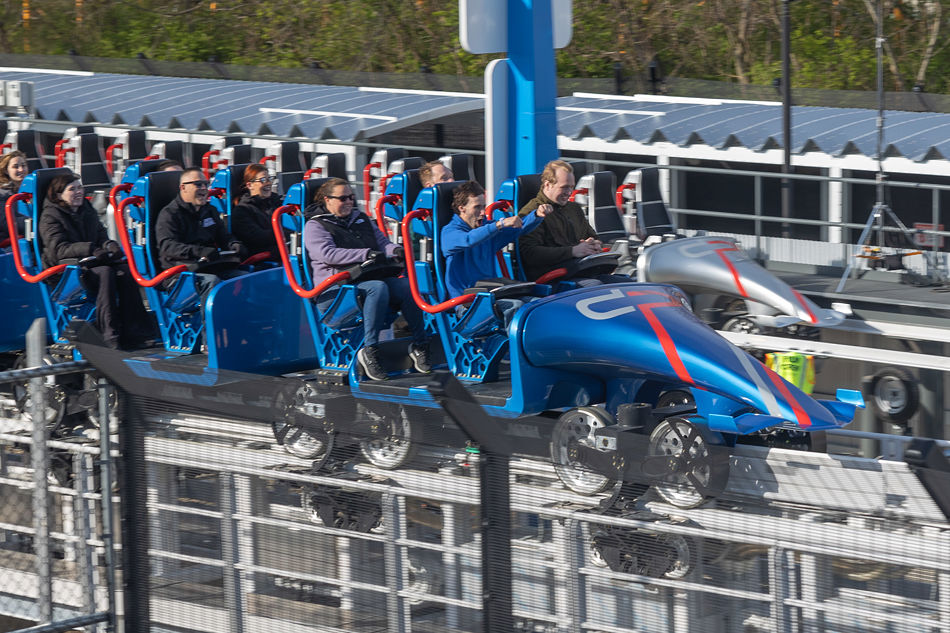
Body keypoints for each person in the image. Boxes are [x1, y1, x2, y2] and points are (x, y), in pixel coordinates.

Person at [303, 177, 431, 381]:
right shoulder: (315, 226)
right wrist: (365, 254)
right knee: (376, 288)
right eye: (342, 198)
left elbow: (382, 243)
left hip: (364, 278)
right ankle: (370, 350)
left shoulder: (360, 218)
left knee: (407, 286)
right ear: (327, 200)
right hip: (335, 289)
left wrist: (395, 250)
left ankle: (419, 344)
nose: (348, 202)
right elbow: (328, 254)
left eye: (351, 198)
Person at [38, 173, 151, 349]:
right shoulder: (50, 217)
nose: (78, 192)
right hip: (65, 272)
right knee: (104, 273)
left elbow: (100, 235)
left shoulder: (86, 209)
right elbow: (58, 251)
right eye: (72, 189)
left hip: (90, 263)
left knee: (124, 272)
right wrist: (90, 249)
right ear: (59, 195)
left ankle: (135, 332)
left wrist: (110, 245)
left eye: (79, 188)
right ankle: (109, 334)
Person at [442, 181, 547, 327]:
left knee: (538, 303)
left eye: (483, 207)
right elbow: (468, 239)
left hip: (491, 293)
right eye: (477, 207)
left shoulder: (486, 227)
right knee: (515, 306)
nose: (482, 212)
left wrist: (536, 215)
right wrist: (499, 224)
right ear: (462, 209)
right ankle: (515, 349)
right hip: (466, 303)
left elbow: (518, 229)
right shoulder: (449, 232)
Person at [155, 167, 248, 302]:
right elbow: (168, 247)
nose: (204, 188)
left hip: (208, 267)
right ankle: (210, 323)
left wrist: (234, 244)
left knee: (242, 277)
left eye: (206, 184)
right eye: (198, 184)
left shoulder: (209, 211)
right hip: (180, 273)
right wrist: (200, 252)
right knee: (212, 282)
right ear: (183, 188)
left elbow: (224, 237)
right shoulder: (169, 214)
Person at [517, 159, 619, 282]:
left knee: (624, 283)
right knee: (596, 286)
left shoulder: (574, 209)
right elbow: (530, 254)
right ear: (548, 185)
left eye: (571, 187)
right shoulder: (531, 213)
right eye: (564, 187)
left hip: (580, 269)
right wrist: (572, 251)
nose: (569, 193)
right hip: (553, 276)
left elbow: (591, 235)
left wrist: (594, 244)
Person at [231, 164, 283, 258]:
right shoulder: (242, 211)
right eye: (263, 180)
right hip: (264, 258)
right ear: (250, 185)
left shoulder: (276, 203)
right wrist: (286, 233)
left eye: (270, 179)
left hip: (282, 249)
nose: (268, 183)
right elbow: (258, 238)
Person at [0, 150, 29, 244]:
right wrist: (34, 222)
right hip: (9, 240)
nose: (21, 169)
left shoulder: (30, 188)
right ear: (6, 170)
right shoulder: (3, 195)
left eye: (23, 165)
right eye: (15, 167)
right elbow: (7, 224)